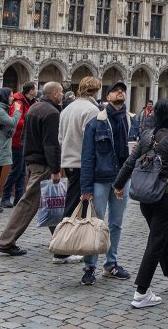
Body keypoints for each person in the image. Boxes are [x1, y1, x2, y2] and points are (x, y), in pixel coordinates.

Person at [113, 98, 168, 309]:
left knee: (161, 236)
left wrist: (118, 184)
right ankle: (141, 292)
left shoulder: (147, 136)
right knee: (156, 240)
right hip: (166, 195)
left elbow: (130, 162)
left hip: (144, 195)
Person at [0, 82, 65, 257]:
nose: (63, 95)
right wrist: (56, 168)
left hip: (32, 161)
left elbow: (25, 137)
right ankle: (6, 241)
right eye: (61, 92)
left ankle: (61, 242)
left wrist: (27, 158)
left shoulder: (34, 108)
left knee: (51, 200)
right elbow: (51, 144)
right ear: (55, 94)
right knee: (29, 202)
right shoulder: (52, 113)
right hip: (43, 164)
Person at [77, 81, 134, 286]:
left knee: (116, 224)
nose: (120, 92)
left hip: (122, 180)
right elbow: (87, 157)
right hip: (100, 180)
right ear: (107, 96)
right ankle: (90, 266)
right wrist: (86, 188)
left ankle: (111, 264)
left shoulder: (132, 121)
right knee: (95, 223)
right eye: (115, 90)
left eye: (123, 90)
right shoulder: (96, 122)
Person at [58, 78, 103, 234]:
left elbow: (60, 138)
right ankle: (64, 246)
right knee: (77, 204)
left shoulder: (67, 109)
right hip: (81, 163)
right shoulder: (92, 110)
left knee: (74, 201)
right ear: (96, 91)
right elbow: (91, 142)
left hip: (68, 161)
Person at [0, 81, 37, 208]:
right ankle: (5, 197)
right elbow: (17, 121)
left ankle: (19, 197)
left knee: (22, 171)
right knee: (16, 170)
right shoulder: (18, 102)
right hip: (17, 140)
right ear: (31, 91)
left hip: (26, 141)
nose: (36, 91)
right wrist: (31, 120)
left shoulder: (32, 102)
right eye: (35, 89)